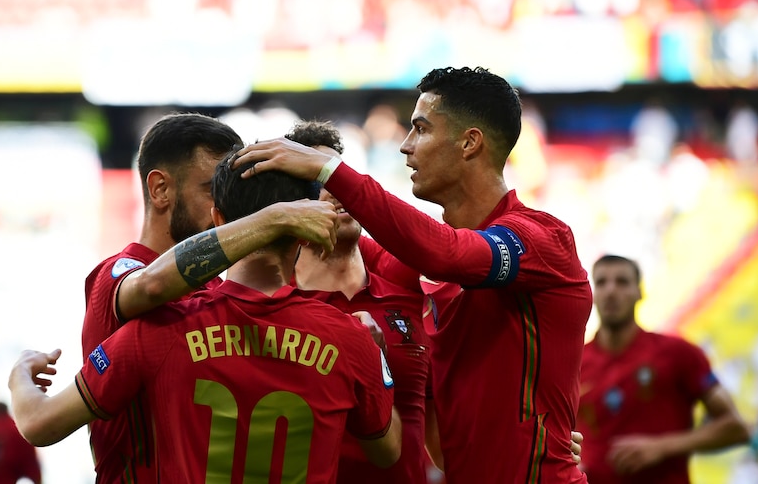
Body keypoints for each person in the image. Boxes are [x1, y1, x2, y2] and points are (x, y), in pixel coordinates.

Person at [236, 66, 592, 482]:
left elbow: (447, 253)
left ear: (469, 142)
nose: (405, 147)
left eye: (420, 129)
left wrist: (331, 170)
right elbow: (355, 247)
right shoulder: (418, 270)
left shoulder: (542, 240)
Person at [9, 150, 401, 482]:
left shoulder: (158, 331)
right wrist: (376, 357)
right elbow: (388, 451)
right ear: (304, 231)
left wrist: (19, 378)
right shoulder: (349, 339)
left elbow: (39, 424)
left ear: (216, 218)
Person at [79, 112, 339, 481]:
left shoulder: (216, 292)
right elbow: (152, 286)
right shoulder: (117, 274)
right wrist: (274, 217)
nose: (228, 206)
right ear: (160, 189)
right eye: (210, 190)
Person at [287, 120, 431, 483]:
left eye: (340, 175)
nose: (336, 190)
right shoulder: (271, 302)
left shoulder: (407, 285)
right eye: (318, 182)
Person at [577, 255, 750, 483]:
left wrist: (662, 447)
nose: (611, 291)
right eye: (601, 283)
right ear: (592, 294)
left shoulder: (678, 353)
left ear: (640, 292)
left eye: (622, 282)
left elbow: (736, 428)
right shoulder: (574, 364)